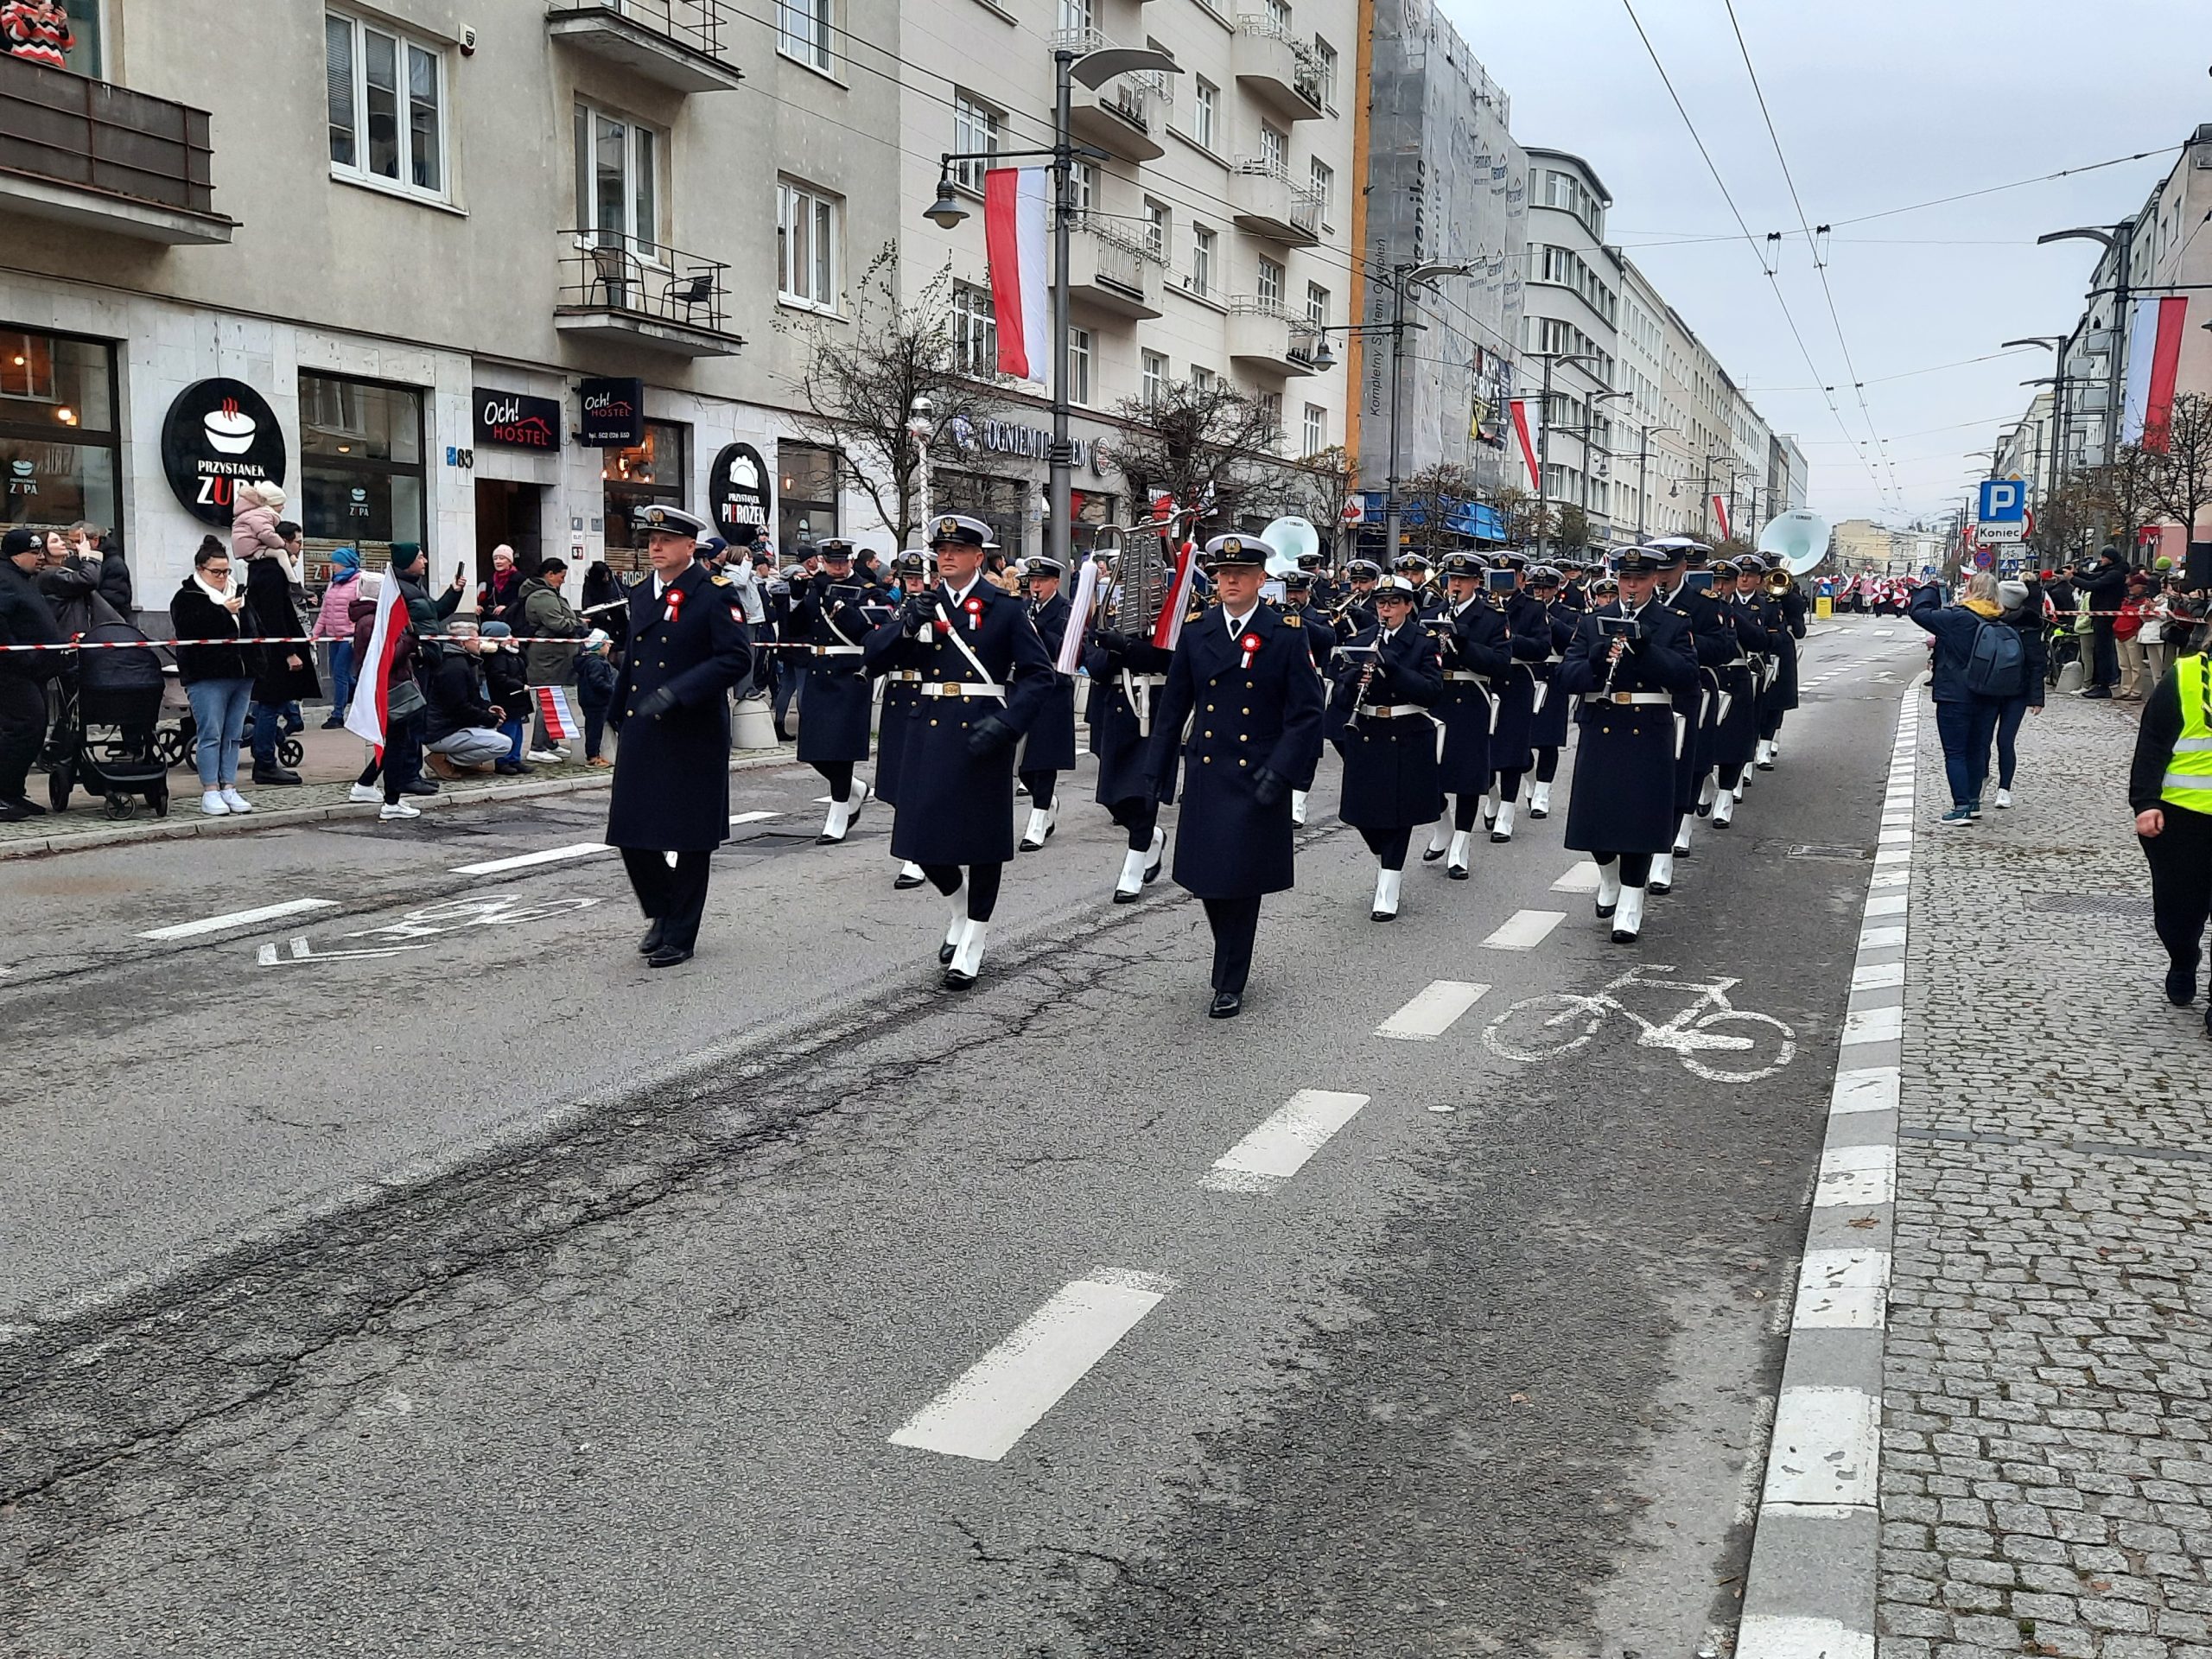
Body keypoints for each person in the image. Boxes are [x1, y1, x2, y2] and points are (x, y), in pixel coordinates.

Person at [862, 513, 1054, 988]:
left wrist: (1009, 724)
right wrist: (906, 625)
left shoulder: (1005, 608)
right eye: (940, 550)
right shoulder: (922, 605)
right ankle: (959, 905)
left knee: (982, 843)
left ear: (977, 556)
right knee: (919, 839)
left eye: (956, 550)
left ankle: (974, 938)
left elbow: (1039, 676)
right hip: (927, 731)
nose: (945, 557)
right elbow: (874, 657)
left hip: (981, 732)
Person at [1143, 533, 1325, 1018]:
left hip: (1256, 774)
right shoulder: (1198, 630)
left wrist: (1283, 771)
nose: (1230, 582)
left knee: (1241, 882)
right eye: (1224, 575)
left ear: (1261, 580)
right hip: (1207, 768)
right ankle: (1228, 954)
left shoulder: (1284, 632)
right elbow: (1174, 704)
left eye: (1241, 575)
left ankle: (1230, 979)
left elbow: (1307, 711)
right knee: (1208, 880)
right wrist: (1155, 770)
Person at [607, 505, 753, 969]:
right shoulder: (642, 594)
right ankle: (662, 910)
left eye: (665, 540)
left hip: (692, 728)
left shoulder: (713, 594)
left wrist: (679, 692)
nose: (655, 548)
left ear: (690, 547)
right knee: (631, 831)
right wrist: (617, 710)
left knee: (690, 838)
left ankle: (680, 933)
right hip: (644, 724)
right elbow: (635, 656)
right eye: (651, 540)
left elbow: (735, 659)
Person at [1556, 547, 1700, 943]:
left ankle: (1632, 902)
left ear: (1655, 579)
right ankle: (1608, 874)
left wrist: (1647, 651)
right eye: (1625, 578)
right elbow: (1566, 676)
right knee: (1595, 815)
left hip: (1648, 728)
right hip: (1602, 724)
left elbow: (1688, 677)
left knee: (1639, 820)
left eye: (1640, 579)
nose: (1631, 586)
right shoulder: (1593, 621)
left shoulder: (1671, 622)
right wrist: (1599, 661)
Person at [1332, 573, 1446, 920]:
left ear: (1408, 606)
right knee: (1364, 815)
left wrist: (1393, 668)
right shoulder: (1362, 639)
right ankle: (1388, 861)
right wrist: (1355, 678)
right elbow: (1338, 695)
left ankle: (1389, 886)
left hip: (1406, 731)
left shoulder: (1424, 641)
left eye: (1394, 603)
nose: (1386, 609)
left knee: (1398, 817)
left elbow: (1431, 691)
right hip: (1367, 731)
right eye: (1381, 603)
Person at [1084, 550, 1178, 901]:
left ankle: (1134, 866)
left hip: (1155, 708)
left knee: (1144, 792)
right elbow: (1092, 661)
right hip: (1117, 708)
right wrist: (1110, 649)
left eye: (1149, 577)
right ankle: (1151, 836)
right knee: (1113, 797)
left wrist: (1127, 646)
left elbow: (1171, 658)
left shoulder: (1171, 613)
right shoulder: (1110, 612)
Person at [2131, 635, 2212, 1030]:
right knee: (2177, 911)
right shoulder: (2185, 676)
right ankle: (2183, 957)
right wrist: (2145, 803)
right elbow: (2152, 744)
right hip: (2183, 817)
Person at [1424, 551, 1510, 878]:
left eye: (1462, 579)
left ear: (1476, 582)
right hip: (1436, 697)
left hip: (1471, 697)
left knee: (1467, 776)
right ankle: (1443, 827)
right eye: (1452, 579)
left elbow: (1501, 666)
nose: (1455, 585)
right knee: (1429, 771)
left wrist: (1463, 645)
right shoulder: (1432, 612)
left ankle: (1461, 845)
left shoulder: (1491, 617)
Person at [787, 538, 877, 843]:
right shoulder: (815, 586)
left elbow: (867, 631)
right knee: (813, 747)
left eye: (842, 561)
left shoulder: (866, 589)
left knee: (840, 748)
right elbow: (795, 627)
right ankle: (854, 788)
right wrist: (796, 599)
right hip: (818, 669)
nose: (837, 566)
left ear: (851, 561)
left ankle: (839, 812)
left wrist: (838, 607)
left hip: (850, 673)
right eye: (831, 560)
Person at [1909, 570, 2006, 825]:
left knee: (1955, 752)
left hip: (1956, 694)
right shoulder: (1999, 618)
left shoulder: (1959, 617)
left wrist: (1929, 589)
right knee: (1977, 748)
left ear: (1971, 590)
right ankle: (1973, 801)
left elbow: (1919, 613)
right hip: (1989, 694)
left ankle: (1961, 806)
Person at [168, 539, 257, 817]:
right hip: (207, 674)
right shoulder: (187, 597)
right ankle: (210, 790)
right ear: (200, 569)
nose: (223, 578)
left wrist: (260, 659)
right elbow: (189, 630)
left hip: (241, 673)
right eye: (216, 572)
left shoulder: (238, 594)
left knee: (233, 735)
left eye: (226, 571)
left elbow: (255, 627)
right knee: (211, 734)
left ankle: (229, 786)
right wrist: (224, 612)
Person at [242, 529, 318, 785]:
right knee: (270, 706)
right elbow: (274, 615)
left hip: (271, 647)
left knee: (270, 705)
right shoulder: (273, 571)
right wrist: (289, 652)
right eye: (298, 541)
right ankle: (264, 763)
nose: (300, 547)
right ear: (282, 542)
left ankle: (265, 760)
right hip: (275, 650)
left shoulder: (264, 569)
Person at [0, 525, 63, 820]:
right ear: (16, 554)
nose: (40, 557)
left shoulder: (23, 579)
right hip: (12, 671)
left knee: (35, 729)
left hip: (34, 669)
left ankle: (13, 792)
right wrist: (22, 657)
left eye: (41, 550)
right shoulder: (4, 579)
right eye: (34, 551)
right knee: (24, 726)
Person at [1017, 556, 1077, 852]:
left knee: (1044, 758)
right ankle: (1046, 800)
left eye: (1041, 581)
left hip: (1054, 686)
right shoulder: (1023, 609)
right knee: (1023, 766)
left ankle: (1038, 819)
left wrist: (1037, 631)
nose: (1036, 586)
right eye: (1033, 581)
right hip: (1025, 686)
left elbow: (1068, 648)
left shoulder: (1067, 611)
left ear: (1055, 582)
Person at [421, 619, 515, 775]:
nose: (479, 642)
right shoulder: (454, 667)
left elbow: (471, 698)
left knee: (494, 730)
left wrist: (487, 707)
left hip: (450, 726)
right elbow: (459, 707)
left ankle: (462, 761)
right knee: (503, 744)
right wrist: (489, 718)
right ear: (463, 643)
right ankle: (446, 758)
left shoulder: (463, 663)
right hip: (442, 731)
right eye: (476, 638)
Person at [1987, 577, 2048, 810]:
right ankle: (1983, 777)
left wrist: (2036, 697)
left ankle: (2004, 788)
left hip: (2015, 692)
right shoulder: (1986, 620)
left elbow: (2036, 664)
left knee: (2005, 740)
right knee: (1982, 740)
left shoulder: (2029, 626)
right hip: (1988, 690)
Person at [518, 555, 584, 760]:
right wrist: (577, 625)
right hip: (546, 656)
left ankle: (550, 741)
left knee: (555, 698)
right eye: (561, 576)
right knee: (547, 699)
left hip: (554, 655)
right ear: (550, 574)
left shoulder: (548, 593)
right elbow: (557, 623)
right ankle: (537, 747)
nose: (563, 581)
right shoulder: (541, 596)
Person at [475, 619, 531, 775]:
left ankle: (515, 758)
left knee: (518, 729)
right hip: (506, 698)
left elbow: (524, 664)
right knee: (508, 729)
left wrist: (519, 649)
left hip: (518, 699)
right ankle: (503, 760)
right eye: (507, 636)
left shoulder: (512, 654)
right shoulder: (496, 658)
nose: (511, 638)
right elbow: (499, 677)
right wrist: (518, 686)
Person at [315, 547, 363, 727]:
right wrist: (316, 633)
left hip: (349, 637)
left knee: (340, 674)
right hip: (333, 636)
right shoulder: (333, 583)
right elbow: (325, 611)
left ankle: (338, 714)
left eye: (335, 562)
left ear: (344, 564)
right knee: (337, 673)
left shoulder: (359, 582)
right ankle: (360, 691)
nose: (332, 566)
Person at [2074, 544, 2129, 698]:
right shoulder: (2109, 571)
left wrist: (2072, 579)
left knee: (2104, 651)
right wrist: (2077, 573)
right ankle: (2100, 683)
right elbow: (2092, 577)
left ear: (2110, 559)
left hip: (2106, 616)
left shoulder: (2115, 574)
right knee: (2100, 651)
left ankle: (2104, 685)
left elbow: (2094, 585)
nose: (2101, 560)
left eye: (2104, 557)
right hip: (2100, 615)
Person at [575, 628, 617, 770]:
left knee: (595, 728)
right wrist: (611, 690)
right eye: (606, 644)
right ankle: (593, 757)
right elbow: (597, 682)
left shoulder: (590, 661)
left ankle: (595, 755)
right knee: (594, 730)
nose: (609, 646)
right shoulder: (596, 663)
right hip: (596, 701)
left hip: (591, 700)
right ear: (599, 646)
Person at [2115, 569, 2154, 701]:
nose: (2130, 587)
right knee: (2124, 665)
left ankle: (2136, 692)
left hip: (2132, 634)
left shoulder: (2145, 602)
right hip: (2120, 634)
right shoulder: (2126, 600)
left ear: (2141, 587)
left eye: (2133, 585)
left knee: (2135, 665)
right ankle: (2126, 689)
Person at [477, 545, 525, 630]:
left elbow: (522, 599)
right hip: (495, 619)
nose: (498, 561)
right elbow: (488, 598)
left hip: (513, 620)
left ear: (510, 561)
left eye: (502, 558)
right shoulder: (491, 579)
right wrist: (481, 606)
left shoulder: (519, 579)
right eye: (495, 559)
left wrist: (507, 607)